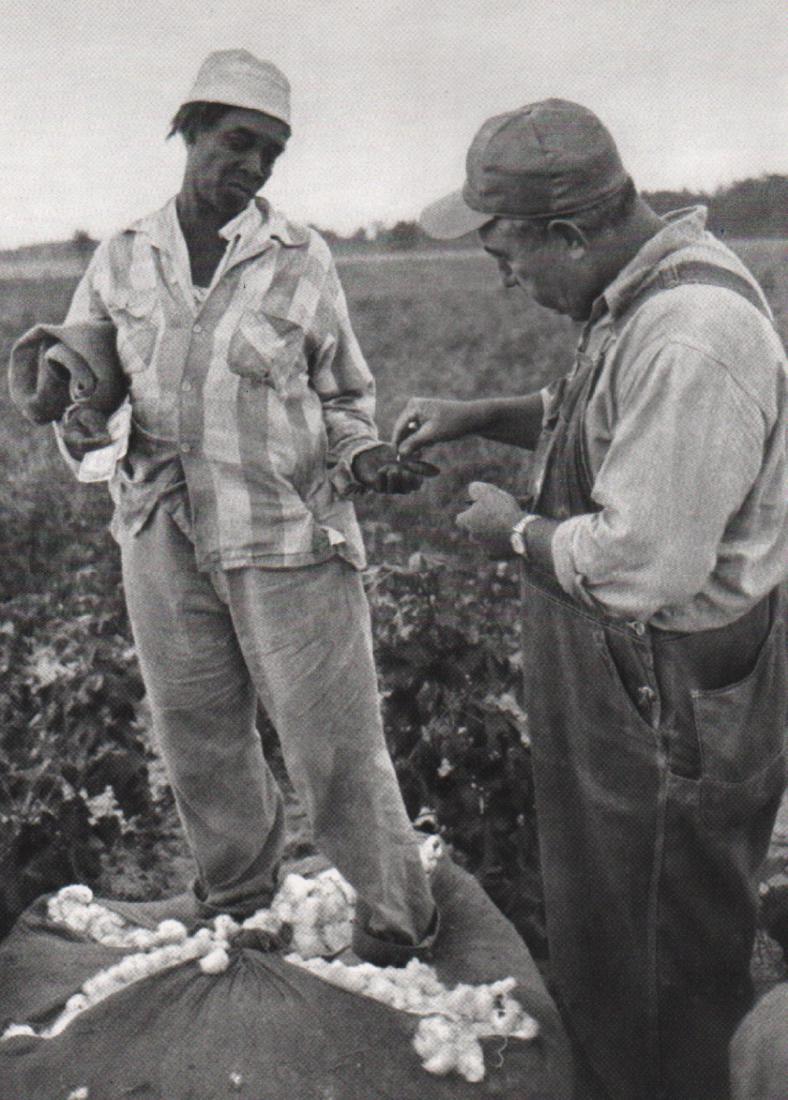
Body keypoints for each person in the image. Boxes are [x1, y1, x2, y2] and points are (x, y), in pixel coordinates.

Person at [394, 99, 787, 1099]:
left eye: (509, 257)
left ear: (568, 232)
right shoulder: (636, 296)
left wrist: (507, 528)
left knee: (663, 956)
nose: (507, 279)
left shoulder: (690, 336)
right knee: (615, 935)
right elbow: (604, 421)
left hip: (668, 702)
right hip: (640, 685)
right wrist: (481, 413)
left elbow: (638, 565)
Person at [58, 49, 438, 966]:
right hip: (158, 526)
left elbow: (346, 398)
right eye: (238, 143)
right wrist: (73, 409)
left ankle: (398, 920)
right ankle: (234, 895)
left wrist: (369, 453)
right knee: (196, 733)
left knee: (333, 743)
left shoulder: (301, 260)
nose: (256, 167)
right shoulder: (123, 257)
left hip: (284, 531)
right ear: (187, 132)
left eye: (273, 150)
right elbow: (86, 385)